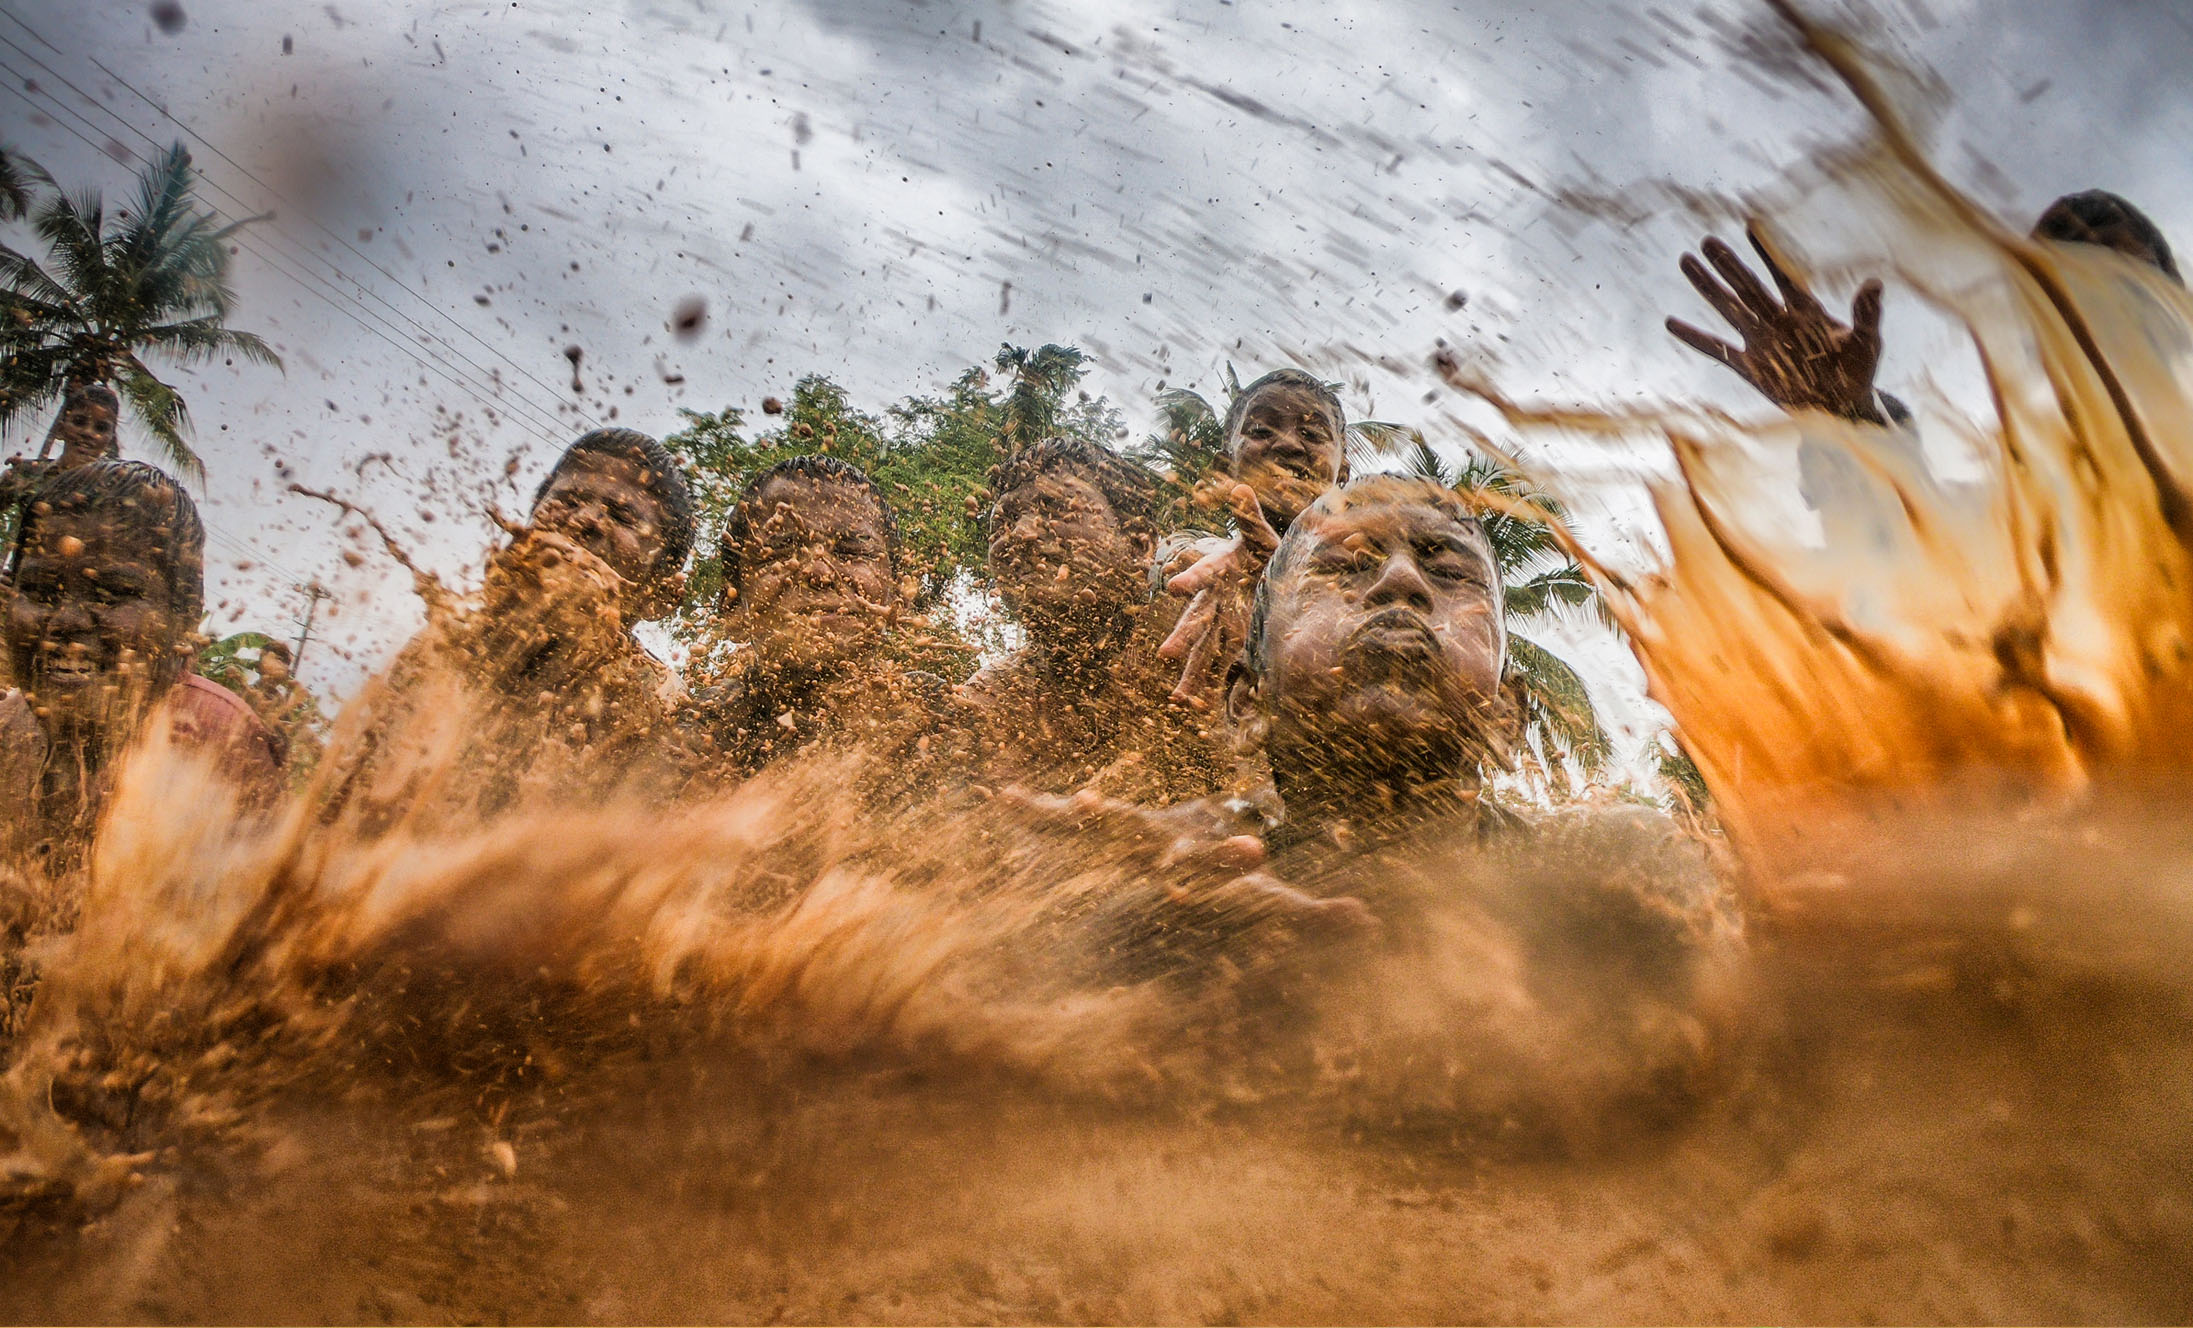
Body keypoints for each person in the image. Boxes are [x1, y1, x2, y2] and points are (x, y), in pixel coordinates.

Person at [319, 427, 699, 830]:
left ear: (660, 595)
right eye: (568, 499)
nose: (585, 520)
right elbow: (347, 806)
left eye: (622, 516)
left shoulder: (657, 701)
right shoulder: (441, 647)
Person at [1664, 191, 2181, 429]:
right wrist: (1850, 414)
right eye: (2056, 267)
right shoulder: (2040, 495)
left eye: (2107, 252)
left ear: (2170, 285)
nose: (2083, 272)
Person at [0, 460, 280, 873]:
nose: (66, 621)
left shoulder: (220, 744)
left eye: (112, 595)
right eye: (40, 592)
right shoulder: (7, 731)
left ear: (184, 617)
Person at [959, 436, 1220, 803]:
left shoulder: (1208, 637)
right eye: (1001, 524)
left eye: (1052, 506)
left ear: (1138, 544)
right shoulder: (992, 698)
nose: (1017, 534)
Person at [697, 455, 953, 782]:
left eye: (851, 551)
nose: (818, 572)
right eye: (781, 552)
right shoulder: (704, 730)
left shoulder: (935, 714)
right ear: (732, 605)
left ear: (899, 597)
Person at [1156, 368, 1351, 713]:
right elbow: (1168, 555)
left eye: (1312, 432)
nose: (1289, 443)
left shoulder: (1368, 570)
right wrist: (1211, 551)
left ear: (1343, 474)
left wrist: (1278, 579)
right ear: (1224, 468)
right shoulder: (1208, 564)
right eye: (1261, 430)